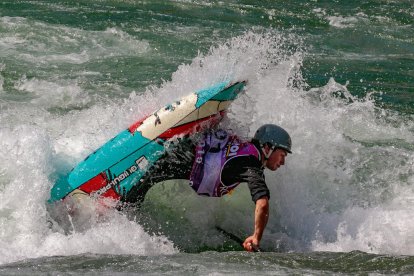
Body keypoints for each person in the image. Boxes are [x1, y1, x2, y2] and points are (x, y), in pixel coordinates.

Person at [123, 123, 292, 252]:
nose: (283, 162)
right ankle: (119, 202)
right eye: (282, 154)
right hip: (182, 157)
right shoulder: (251, 166)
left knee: (145, 180)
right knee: (137, 187)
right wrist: (256, 237)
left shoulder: (246, 148)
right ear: (268, 148)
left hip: (187, 148)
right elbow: (262, 203)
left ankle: (125, 202)